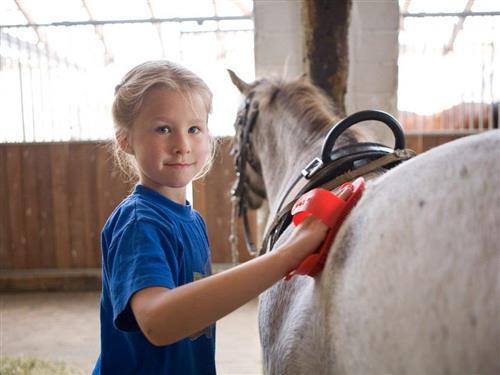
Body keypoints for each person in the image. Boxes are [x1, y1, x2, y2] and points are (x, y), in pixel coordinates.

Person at [92, 60, 351, 374]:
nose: (182, 145)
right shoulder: (138, 223)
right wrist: (287, 255)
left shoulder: (189, 219)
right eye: (163, 129)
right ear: (125, 140)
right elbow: (157, 322)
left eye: (194, 129)